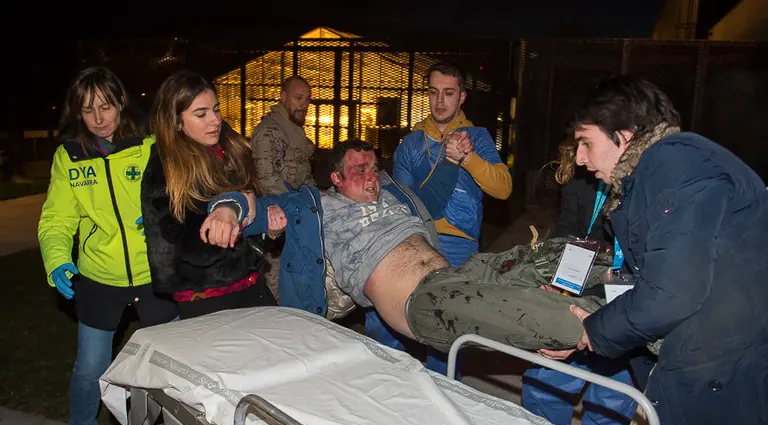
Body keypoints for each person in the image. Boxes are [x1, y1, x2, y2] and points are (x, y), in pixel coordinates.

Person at [203, 139, 610, 356]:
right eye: (358, 170)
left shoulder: (396, 194)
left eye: (373, 166)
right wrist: (227, 208)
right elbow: (254, 206)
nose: (371, 176)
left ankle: (622, 274)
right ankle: (631, 321)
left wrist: (451, 162)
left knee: (542, 256)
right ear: (337, 178)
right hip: (425, 303)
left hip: (457, 275)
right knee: (536, 313)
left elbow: (431, 197)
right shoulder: (314, 205)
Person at [545, 75, 768, 425]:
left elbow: (670, 293)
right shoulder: (657, 172)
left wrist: (594, 331)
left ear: (624, 134)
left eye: (586, 142)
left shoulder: (676, 163)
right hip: (705, 361)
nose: (582, 159)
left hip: (723, 371)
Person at [37, 66, 178, 425]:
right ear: (77, 113)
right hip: (100, 277)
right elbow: (56, 219)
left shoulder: (149, 143)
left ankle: (173, 424)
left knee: (175, 362)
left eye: (106, 106)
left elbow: (178, 188)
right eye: (88, 110)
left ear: (121, 102)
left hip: (154, 275)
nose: (99, 118)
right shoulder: (70, 156)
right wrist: (57, 260)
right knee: (90, 369)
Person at [387, 61, 512, 374]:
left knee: (445, 333)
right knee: (389, 320)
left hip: (458, 242)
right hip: (416, 240)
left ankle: (444, 402)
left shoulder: (477, 137)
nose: (439, 100)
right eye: (433, 92)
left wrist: (468, 158)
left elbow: (503, 188)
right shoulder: (412, 142)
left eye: (448, 93)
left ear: (462, 97)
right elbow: (402, 200)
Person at [140, 70, 281, 319]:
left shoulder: (229, 151)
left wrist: (261, 224)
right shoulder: (166, 169)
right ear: (176, 122)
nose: (215, 120)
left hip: (252, 285)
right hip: (206, 299)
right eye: (201, 114)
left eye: (216, 109)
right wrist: (238, 207)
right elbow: (200, 247)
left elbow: (253, 211)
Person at [521, 139, 638, 425]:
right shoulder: (582, 175)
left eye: (588, 142)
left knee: (608, 407)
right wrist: (555, 282)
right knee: (542, 388)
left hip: (632, 306)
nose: (579, 156)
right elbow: (568, 233)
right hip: (582, 294)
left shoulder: (654, 186)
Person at [250, 75, 315, 301]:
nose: (304, 104)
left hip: (294, 220)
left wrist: (316, 201)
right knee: (275, 288)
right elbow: (266, 180)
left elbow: (304, 174)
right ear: (282, 97)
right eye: (298, 98)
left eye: (307, 99)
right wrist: (300, 206)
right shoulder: (270, 131)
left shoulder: (293, 129)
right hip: (276, 222)